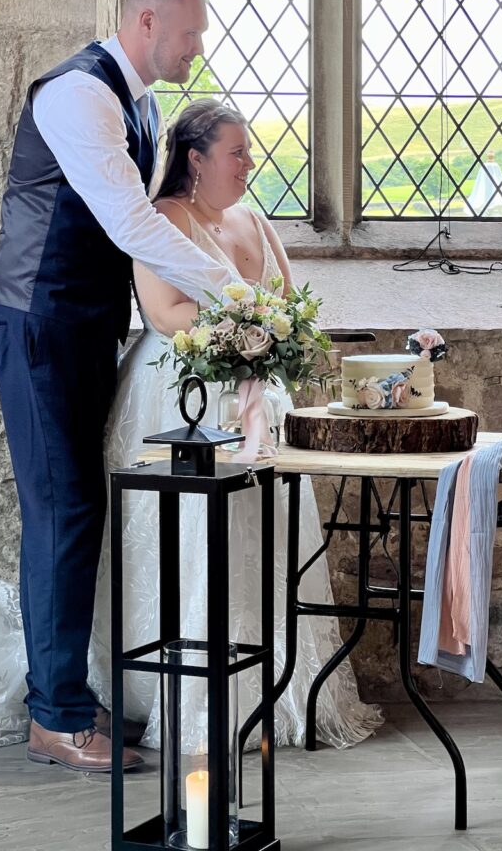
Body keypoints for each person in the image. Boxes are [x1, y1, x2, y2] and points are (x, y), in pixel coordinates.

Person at [0, 0, 240, 773]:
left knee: (79, 510)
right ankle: (56, 718)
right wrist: (236, 296)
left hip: (85, 328)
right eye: (190, 32)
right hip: (40, 323)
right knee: (62, 513)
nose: (198, 46)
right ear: (145, 21)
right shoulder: (76, 94)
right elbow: (131, 222)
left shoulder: (143, 102)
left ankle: (70, 698)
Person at [88, 99, 383, 750]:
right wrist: (242, 330)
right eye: (236, 152)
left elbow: (285, 298)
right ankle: (185, 688)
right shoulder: (164, 219)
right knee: (193, 540)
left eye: (249, 151)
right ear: (196, 158)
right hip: (180, 395)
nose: (249, 163)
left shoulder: (256, 219)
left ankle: (274, 684)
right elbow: (166, 312)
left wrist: (267, 337)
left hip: (257, 397)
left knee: (262, 539)